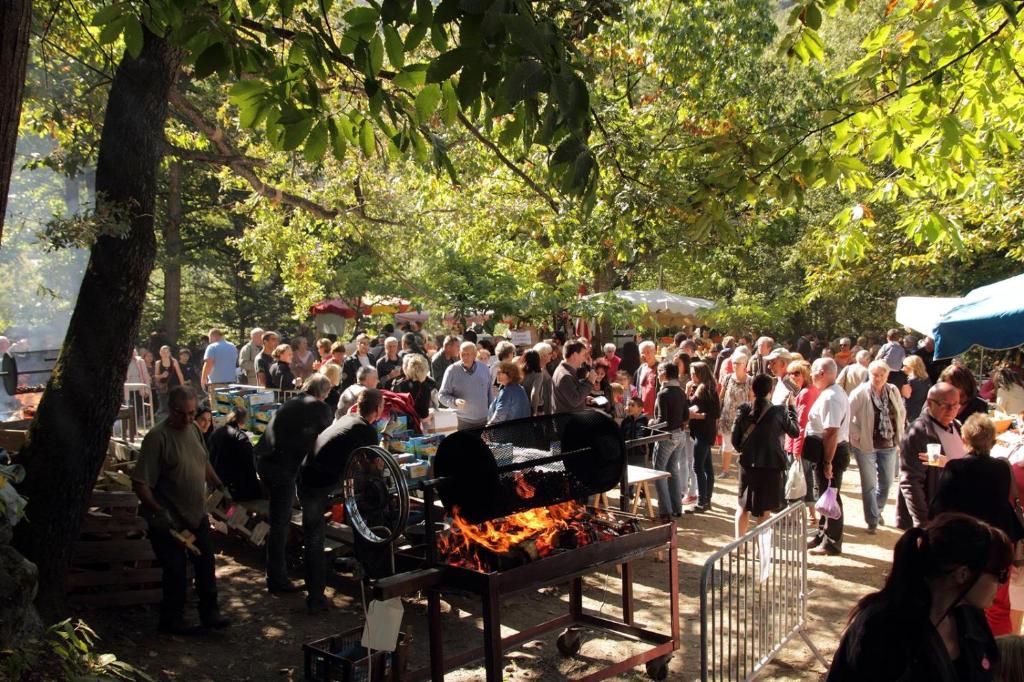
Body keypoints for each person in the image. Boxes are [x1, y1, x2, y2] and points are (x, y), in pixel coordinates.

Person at [827, 513, 1011, 681]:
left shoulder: (971, 617)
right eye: (1000, 575)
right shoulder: (883, 628)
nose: (1002, 584)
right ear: (963, 574)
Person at [132, 387, 231, 634]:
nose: (188, 418)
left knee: (206, 565)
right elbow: (141, 483)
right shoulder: (157, 437)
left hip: (195, 515)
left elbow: (203, 461)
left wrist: (219, 485)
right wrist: (157, 510)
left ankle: (210, 614)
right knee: (175, 570)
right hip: (170, 521)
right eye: (183, 413)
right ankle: (171, 620)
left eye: (192, 413)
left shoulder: (194, 429)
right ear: (170, 409)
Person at [930, 414, 1024, 637]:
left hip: (964, 546)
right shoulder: (1002, 469)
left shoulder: (956, 468)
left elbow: (939, 509)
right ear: (992, 441)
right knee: (998, 607)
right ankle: (997, 655)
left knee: (958, 601)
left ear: (964, 439)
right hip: (998, 544)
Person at [299, 388, 386, 612]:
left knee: (312, 536)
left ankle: (315, 594)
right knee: (317, 536)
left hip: (306, 474)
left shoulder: (349, 417)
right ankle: (370, 568)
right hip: (319, 482)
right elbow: (372, 467)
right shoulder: (366, 429)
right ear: (378, 409)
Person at [254, 374, 333, 594]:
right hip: (281, 467)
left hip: (265, 461)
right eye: (327, 393)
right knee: (281, 522)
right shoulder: (319, 408)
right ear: (322, 392)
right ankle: (276, 578)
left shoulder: (291, 402)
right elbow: (325, 440)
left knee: (280, 518)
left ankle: (278, 570)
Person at [732, 373, 800, 537]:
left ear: (753, 389)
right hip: (771, 465)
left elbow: (735, 440)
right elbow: (795, 432)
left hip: (748, 463)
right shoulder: (779, 412)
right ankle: (761, 549)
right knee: (764, 510)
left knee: (743, 505)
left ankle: (738, 545)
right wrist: (791, 408)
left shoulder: (743, 409)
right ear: (771, 390)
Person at [898, 382, 966, 529]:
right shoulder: (920, 432)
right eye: (945, 405)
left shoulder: (957, 427)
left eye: (955, 406)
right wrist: (923, 523)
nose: (951, 411)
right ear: (930, 403)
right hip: (934, 516)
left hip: (955, 511)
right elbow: (911, 482)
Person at [849, 360, 907, 534]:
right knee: (869, 484)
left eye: (882, 375)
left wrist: (900, 433)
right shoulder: (860, 392)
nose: (879, 378)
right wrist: (856, 433)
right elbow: (846, 415)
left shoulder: (893, 390)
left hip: (888, 443)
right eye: (875, 374)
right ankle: (872, 520)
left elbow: (901, 412)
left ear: (887, 376)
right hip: (866, 445)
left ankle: (878, 509)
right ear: (870, 374)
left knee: (887, 481)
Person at [804, 357, 851, 556]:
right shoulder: (829, 393)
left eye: (813, 371)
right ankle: (822, 535)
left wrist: (828, 462)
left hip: (829, 452)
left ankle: (832, 543)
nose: (811, 376)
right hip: (824, 451)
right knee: (824, 495)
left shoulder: (832, 396)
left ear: (822, 373)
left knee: (831, 496)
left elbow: (831, 432)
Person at [651, 362, 689, 521]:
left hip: (667, 436)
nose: (658, 376)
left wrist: (651, 424)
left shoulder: (663, 393)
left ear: (665, 374)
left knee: (659, 472)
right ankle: (677, 507)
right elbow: (686, 416)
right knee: (673, 470)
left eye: (659, 372)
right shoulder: (681, 391)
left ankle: (665, 511)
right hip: (680, 435)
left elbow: (662, 420)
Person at [785, 360, 820, 524]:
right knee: (805, 479)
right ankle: (811, 515)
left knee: (797, 480)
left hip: (800, 444)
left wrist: (797, 450)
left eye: (797, 373)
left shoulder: (806, 393)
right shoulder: (804, 391)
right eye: (790, 373)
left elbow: (801, 423)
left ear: (805, 374)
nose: (793, 376)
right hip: (800, 443)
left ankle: (796, 517)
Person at [687, 361, 720, 513]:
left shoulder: (708, 389)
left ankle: (702, 502)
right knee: (707, 467)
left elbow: (715, 413)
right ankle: (706, 500)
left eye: (694, 373)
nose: (692, 376)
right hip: (701, 431)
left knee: (698, 466)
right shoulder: (699, 387)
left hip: (704, 432)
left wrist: (697, 416)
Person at [208, 408, 261, 501]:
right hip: (235, 488)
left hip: (217, 482)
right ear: (243, 421)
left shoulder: (216, 433)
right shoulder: (241, 437)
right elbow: (249, 467)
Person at [438, 341, 493, 430]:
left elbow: (489, 394)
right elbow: (442, 395)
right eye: (462, 354)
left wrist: (491, 415)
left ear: (475, 355)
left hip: (484, 420)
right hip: (462, 421)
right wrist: (454, 401)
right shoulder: (452, 370)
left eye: (468, 354)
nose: (465, 357)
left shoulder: (485, 369)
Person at [718, 352, 753, 479]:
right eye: (733, 363)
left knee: (743, 446)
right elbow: (721, 396)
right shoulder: (727, 378)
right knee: (726, 445)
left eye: (738, 363)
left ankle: (743, 471)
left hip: (743, 419)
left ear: (744, 365)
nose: (735, 365)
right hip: (727, 417)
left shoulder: (750, 381)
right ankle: (725, 470)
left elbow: (752, 400)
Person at [552, 341, 596, 413]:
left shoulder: (565, 370)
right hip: (567, 422)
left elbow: (570, 395)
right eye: (583, 355)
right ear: (575, 355)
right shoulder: (564, 375)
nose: (585, 359)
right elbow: (575, 400)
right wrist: (589, 382)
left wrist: (584, 399)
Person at [392, 353, 435, 420]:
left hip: (398, 424)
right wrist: (432, 414)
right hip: (413, 425)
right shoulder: (424, 387)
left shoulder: (397, 383)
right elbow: (423, 416)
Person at [153, 345, 185, 416]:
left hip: (174, 387)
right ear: (160, 353)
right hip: (163, 389)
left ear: (169, 353)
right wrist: (161, 376)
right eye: (163, 352)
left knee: (175, 406)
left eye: (167, 352)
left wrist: (183, 387)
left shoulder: (174, 361)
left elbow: (180, 374)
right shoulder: (158, 363)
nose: (165, 354)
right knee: (164, 407)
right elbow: (156, 377)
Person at [521, 349, 553, 416]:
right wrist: (534, 412)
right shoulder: (538, 373)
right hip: (536, 407)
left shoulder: (521, 372)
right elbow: (535, 393)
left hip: (523, 405)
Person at [902, 354, 932, 423]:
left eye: (905, 366)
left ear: (912, 367)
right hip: (923, 413)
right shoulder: (926, 378)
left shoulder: (911, 381)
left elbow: (905, 395)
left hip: (911, 414)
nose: (903, 368)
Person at [636, 341, 659, 417]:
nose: (645, 355)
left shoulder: (661, 368)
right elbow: (637, 388)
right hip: (642, 410)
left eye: (648, 352)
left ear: (654, 352)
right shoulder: (641, 368)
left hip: (656, 411)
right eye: (642, 352)